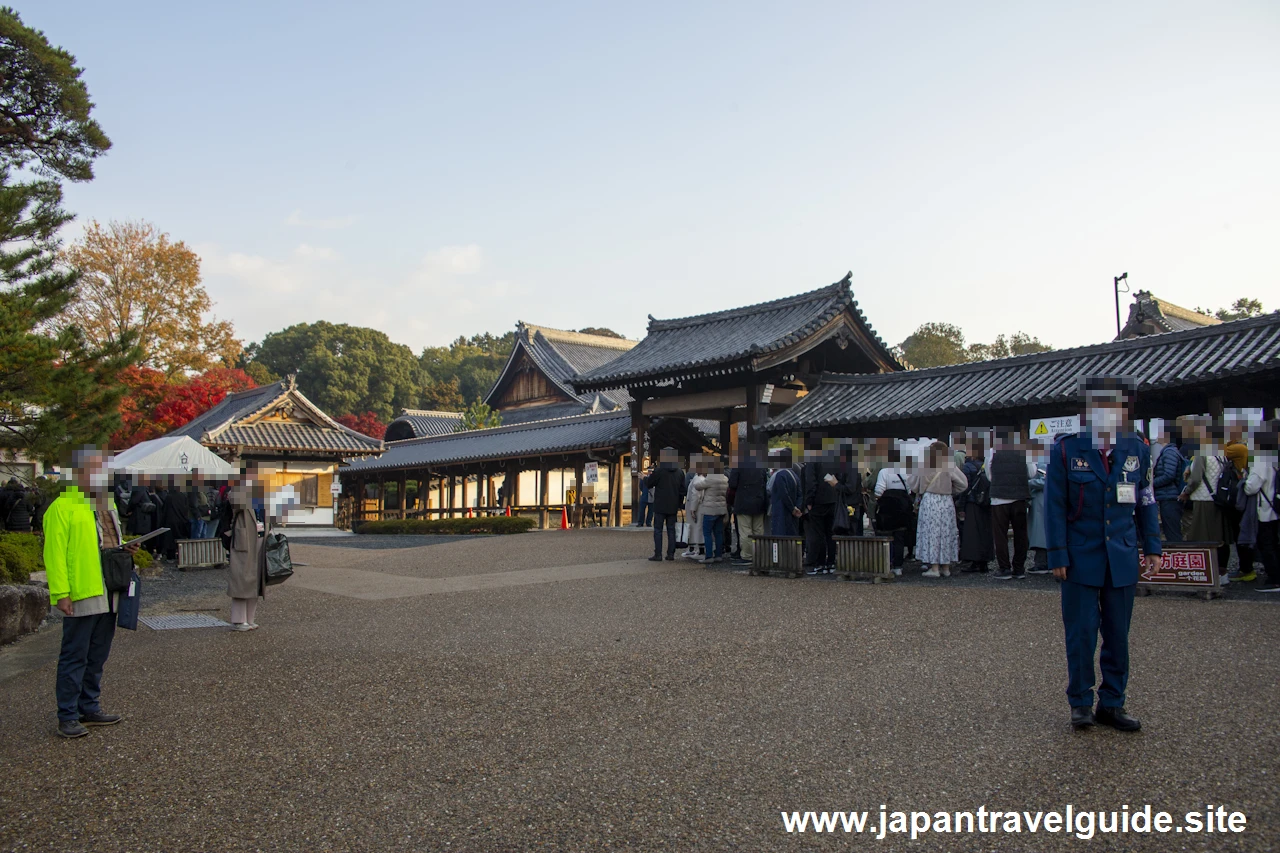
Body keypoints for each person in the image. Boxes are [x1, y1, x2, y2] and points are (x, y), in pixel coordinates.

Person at [1046, 376, 1160, 732]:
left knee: (1117, 635)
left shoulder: (1136, 449)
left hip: (1122, 554)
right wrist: (1058, 554)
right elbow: (1054, 505)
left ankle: (1112, 703)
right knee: (1081, 633)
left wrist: (1153, 546)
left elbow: (1146, 499)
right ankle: (1080, 703)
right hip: (1080, 555)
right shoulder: (1067, 449)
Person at [45, 446, 139, 738]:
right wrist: (61, 593)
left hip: (109, 587)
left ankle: (89, 706)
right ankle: (68, 714)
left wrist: (127, 547)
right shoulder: (62, 508)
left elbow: (109, 543)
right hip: (83, 590)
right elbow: (55, 555)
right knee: (75, 654)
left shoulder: (106, 503)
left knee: (98, 653)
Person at [909, 441, 967, 577]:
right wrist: (950, 490)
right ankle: (946, 568)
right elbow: (963, 484)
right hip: (946, 501)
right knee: (946, 533)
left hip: (930, 501)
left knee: (932, 533)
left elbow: (912, 485)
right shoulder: (949, 465)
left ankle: (934, 567)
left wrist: (923, 489)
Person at [1180, 421, 1230, 576]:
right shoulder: (1221, 454)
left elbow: (1195, 479)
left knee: (1201, 538)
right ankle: (1221, 572)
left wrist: (1186, 491)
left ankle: (1205, 573)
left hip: (1203, 499)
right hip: (1218, 499)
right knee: (1219, 538)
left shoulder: (1202, 453)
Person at [986, 431, 1036, 580]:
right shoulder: (1025, 450)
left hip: (999, 498)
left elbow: (989, 475)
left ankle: (1004, 568)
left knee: (1000, 535)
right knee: (1020, 534)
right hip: (1019, 497)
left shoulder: (992, 450)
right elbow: (1032, 473)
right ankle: (1019, 568)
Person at [225, 466, 266, 631]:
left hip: (259, 537)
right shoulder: (236, 492)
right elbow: (236, 503)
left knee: (256, 580)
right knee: (242, 580)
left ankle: (250, 618)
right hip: (244, 540)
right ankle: (238, 620)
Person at [1244, 422, 1280, 592]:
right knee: (1274, 542)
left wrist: (1244, 481)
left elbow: (1252, 486)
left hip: (1265, 509)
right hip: (1276, 506)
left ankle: (1274, 578)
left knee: (1267, 544)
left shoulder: (1261, 457)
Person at [801, 438, 843, 575]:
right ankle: (830, 562)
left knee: (817, 534)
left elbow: (811, 482)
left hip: (818, 501)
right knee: (830, 533)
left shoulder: (812, 461)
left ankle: (818, 562)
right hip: (833, 499)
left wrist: (809, 501)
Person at [874, 450, 912, 576]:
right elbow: (910, 490)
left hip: (887, 509)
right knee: (899, 537)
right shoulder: (906, 472)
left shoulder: (884, 472)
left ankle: (887, 563)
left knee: (886, 537)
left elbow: (878, 491)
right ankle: (898, 566)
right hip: (902, 508)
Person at [643, 447, 684, 561]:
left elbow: (650, 483)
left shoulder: (659, 470)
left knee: (658, 530)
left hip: (660, 504)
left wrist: (644, 478)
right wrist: (679, 503)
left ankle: (658, 554)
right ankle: (671, 554)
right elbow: (682, 490)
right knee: (671, 529)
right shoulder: (680, 472)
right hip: (673, 505)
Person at [957, 446, 994, 573]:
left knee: (971, 534)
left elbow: (964, 488)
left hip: (972, 502)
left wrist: (961, 506)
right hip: (985, 502)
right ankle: (984, 562)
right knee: (985, 532)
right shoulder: (986, 466)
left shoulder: (968, 467)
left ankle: (974, 562)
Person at [728, 451, 768, 565]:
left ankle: (747, 556)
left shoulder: (738, 464)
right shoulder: (761, 465)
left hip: (743, 501)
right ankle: (760, 554)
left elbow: (732, 484)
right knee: (758, 530)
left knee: (745, 530)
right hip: (759, 501)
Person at [1152, 427, 1186, 542]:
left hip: (1170, 496)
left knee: (1172, 532)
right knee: (1170, 529)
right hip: (1168, 495)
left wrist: (1152, 483)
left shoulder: (1169, 452)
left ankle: (1178, 554)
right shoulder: (1169, 451)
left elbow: (1169, 475)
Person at [695, 459, 730, 563]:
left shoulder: (710, 479)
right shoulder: (725, 479)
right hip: (721, 509)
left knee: (707, 533)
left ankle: (709, 556)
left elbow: (697, 486)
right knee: (719, 533)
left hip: (710, 510)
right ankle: (718, 555)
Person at [1026, 447, 1051, 574]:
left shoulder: (1042, 462)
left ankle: (1042, 564)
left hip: (1040, 501)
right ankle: (1045, 562)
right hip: (1043, 501)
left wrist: (1028, 483)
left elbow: (1044, 481)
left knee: (1040, 533)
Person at [768, 448, 802, 536]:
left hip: (780, 511)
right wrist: (796, 507)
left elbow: (783, 494)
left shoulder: (779, 475)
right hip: (793, 514)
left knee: (779, 536)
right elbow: (800, 494)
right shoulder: (794, 475)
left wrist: (791, 508)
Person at [682, 457, 707, 560]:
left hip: (696, 507)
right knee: (698, 528)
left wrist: (693, 508)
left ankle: (697, 550)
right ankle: (697, 549)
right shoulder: (703, 478)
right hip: (700, 506)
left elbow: (695, 495)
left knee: (696, 528)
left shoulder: (697, 479)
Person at [188, 470, 213, 540]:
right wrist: (197, 516)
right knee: (197, 537)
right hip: (197, 516)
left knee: (203, 536)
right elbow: (192, 503)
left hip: (203, 516)